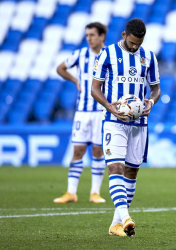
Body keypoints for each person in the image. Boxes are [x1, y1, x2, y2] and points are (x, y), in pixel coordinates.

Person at [91, 18, 161, 237]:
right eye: (132, 42)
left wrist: (150, 102)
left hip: (139, 123)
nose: (135, 47)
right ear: (124, 35)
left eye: (138, 43)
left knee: (132, 171)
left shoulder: (148, 56)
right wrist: (110, 107)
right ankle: (126, 216)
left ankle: (115, 224)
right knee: (115, 168)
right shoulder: (107, 54)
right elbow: (95, 88)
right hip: (114, 121)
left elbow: (156, 89)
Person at [54, 22, 108, 204]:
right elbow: (60, 68)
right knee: (78, 149)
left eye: (92, 35)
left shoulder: (110, 55)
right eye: (87, 35)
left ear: (102, 36)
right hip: (82, 111)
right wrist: (75, 80)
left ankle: (95, 192)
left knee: (98, 150)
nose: (89, 38)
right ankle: (71, 192)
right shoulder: (80, 54)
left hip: (101, 111)